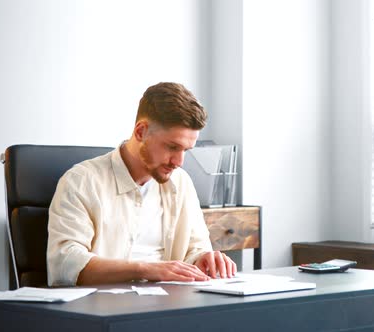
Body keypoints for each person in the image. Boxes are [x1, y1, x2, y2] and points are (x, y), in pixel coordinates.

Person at [47, 82, 236, 286]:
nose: (179, 162)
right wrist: (146, 269)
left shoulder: (181, 182)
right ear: (140, 132)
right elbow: (64, 265)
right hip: (103, 308)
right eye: (172, 147)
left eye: (186, 150)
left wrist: (204, 259)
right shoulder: (81, 181)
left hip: (170, 305)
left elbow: (195, 249)